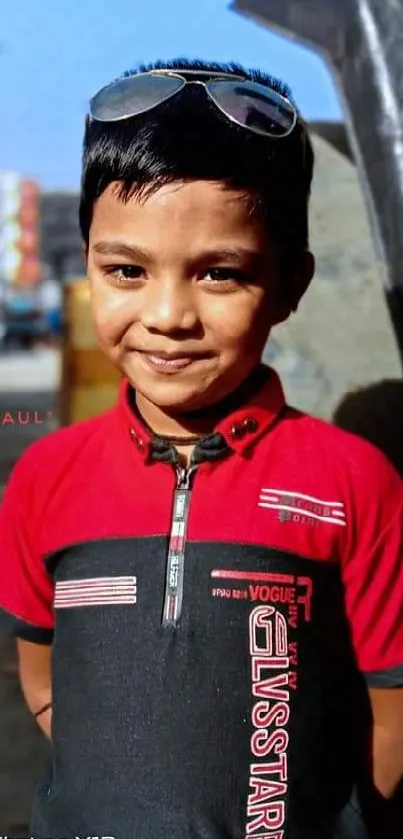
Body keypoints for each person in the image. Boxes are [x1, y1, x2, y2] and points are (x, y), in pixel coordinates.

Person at [0, 58, 402, 839]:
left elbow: (390, 713)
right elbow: (45, 678)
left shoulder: (354, 482)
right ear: (86, 264)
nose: (167, 314)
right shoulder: (45, 476)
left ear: (290, 284)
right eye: (126, 269)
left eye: (219, 273)